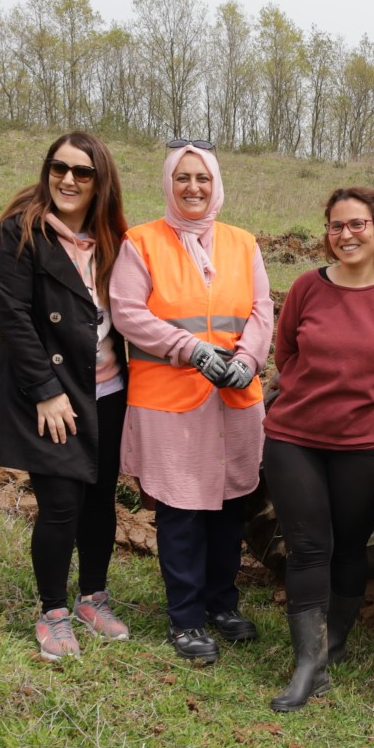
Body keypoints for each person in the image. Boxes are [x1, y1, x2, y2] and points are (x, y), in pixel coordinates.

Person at [262, 187, 374, 712]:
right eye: (337, 226)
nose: (347, 235)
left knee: (348, 547)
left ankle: (333, 641)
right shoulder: (306, 288)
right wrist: (305, 396)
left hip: (363, 445)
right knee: (308, 545)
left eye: (358, 225)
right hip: (294, 437)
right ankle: (307, 665)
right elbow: (286, 351)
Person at [109, 140, 271, 665]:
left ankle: (223, 604)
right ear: (168, 185)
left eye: (202, 178)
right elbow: (129, 313)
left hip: (233, 398)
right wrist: (191, 349)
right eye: (183, 178)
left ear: (216, 184)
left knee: (228, 507)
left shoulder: (242, 244)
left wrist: (247, 359)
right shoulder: (141, 243)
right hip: (170, 401)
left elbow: (261, 311)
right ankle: (186, 618)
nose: (194, 188)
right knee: (181, 511)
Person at [0, 131, 132, 662]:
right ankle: (53, 611)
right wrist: (45, 391)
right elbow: (14, 320)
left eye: (81, 172)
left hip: (107, 389)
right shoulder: (19, 233)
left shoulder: (112, 238)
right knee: (62, 503)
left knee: (99, 499)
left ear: (99, 181)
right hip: (50, 393)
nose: (67, 179)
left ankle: (93, 597)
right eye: (58, 168)